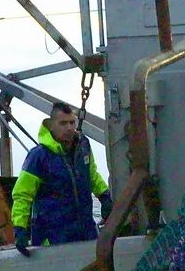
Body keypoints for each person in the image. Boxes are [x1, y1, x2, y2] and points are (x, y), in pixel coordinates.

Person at [11, 101, 113, 255]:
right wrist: (20, 228)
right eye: (63, 123)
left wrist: (104, 195)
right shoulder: (38, 157)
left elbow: (91, 174)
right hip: (52, 236)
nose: (69, 128)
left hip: (85, 231)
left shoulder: (83, 145)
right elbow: (23, 195)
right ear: (51, 125)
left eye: (72, 122)